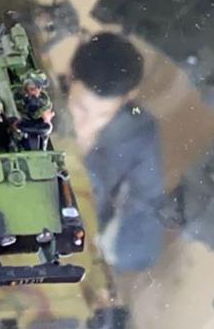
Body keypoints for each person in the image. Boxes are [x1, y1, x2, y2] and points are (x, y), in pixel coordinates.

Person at [67, 32, 163, 273]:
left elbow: (148, 201)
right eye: (79, 108)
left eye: (103, 115)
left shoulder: (137, 131)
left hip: (80, 232)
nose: (85, 125)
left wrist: (106, 247)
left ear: (128, 97)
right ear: (70, 76)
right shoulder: (35, 98)